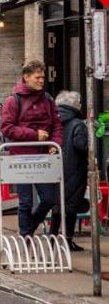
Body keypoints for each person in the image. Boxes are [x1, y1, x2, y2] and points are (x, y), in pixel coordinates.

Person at [0, 60, 62, 238]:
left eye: (43, 77)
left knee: (50, 198)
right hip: (21, 157)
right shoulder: (13, 101)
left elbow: (57, 125)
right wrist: (34, 134)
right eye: (37, 77)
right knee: (25, 202)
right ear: (26, 77)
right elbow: (7, 128)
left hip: (44, 157)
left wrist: (53, 143)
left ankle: (29, 227)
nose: (41, 81)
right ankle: (26, 238)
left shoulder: (48, 99)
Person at [54, 90, 90, 251]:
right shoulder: (77, 124)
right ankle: (68, 239)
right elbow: (82, 146)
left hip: (55, 169)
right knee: (71, 206)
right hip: (75, 169)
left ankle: (53, 237)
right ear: (75, 106)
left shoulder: (53, 121)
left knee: (57, 205)